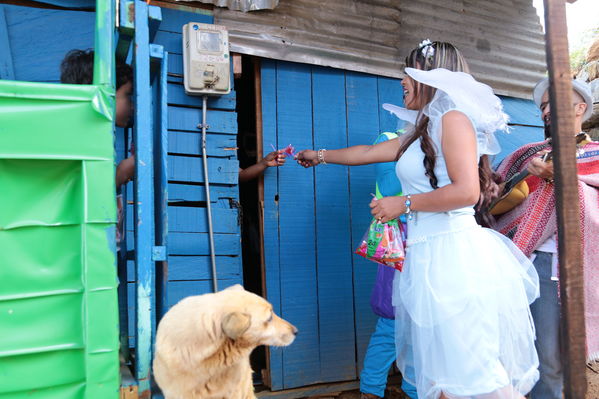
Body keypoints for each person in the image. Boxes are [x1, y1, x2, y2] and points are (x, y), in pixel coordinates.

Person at [296, 41, 540, 399]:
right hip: (428, 255)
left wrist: (402, 203)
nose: (402, 82)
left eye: (407, 74)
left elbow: (467, 192)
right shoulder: (423, 129)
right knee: (443, 372)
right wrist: (319, 155)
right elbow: (367, 152)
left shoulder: (453, 121)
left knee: (474, 370)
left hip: (454, 257)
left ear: (432, 77)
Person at [493, 78, 599, 399]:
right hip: (536, 264)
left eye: (555, 102)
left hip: (582, 268)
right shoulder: (528, 155)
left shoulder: (596, 154)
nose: (547, 110)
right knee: (546, 361)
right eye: (542, 106)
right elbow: (495, 197)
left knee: (569, 360)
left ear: (581, 108)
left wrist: (561, 176)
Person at [360, 132, 418, 399]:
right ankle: (371, 391)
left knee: (419, 330)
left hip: (424, 249)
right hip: (398, 249)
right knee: (390, 325)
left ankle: (413, 390)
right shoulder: (388, 139)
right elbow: (394, 186)